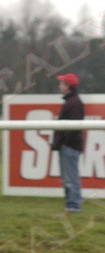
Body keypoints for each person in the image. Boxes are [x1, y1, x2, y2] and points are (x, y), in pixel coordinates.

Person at [51, 73, 85, 212]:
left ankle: (73, 205)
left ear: (68, 86)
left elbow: (74, 127)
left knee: (70, 178)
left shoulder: (74, 103)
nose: (60, 86)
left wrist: (65, 143)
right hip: (68, 146)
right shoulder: (71, 102)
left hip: (70, 146)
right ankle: (71, 204)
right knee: (67, 178)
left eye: (62, 84)